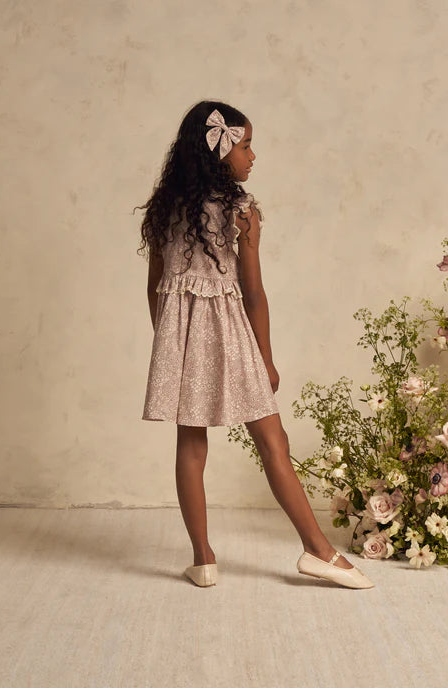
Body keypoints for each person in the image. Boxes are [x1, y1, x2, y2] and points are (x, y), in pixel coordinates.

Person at [136, 101, 374, 590]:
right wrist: (265, 358)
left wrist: (169, 346)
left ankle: (204, 559)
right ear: (219, 152)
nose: (252, 156)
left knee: (191, 444)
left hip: (182, 340)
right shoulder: (241, 212)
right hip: (231, 334)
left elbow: (156, 287)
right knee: (272, 441)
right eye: (245, 146)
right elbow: (254, 293)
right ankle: (318, 551)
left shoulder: (165, 209)